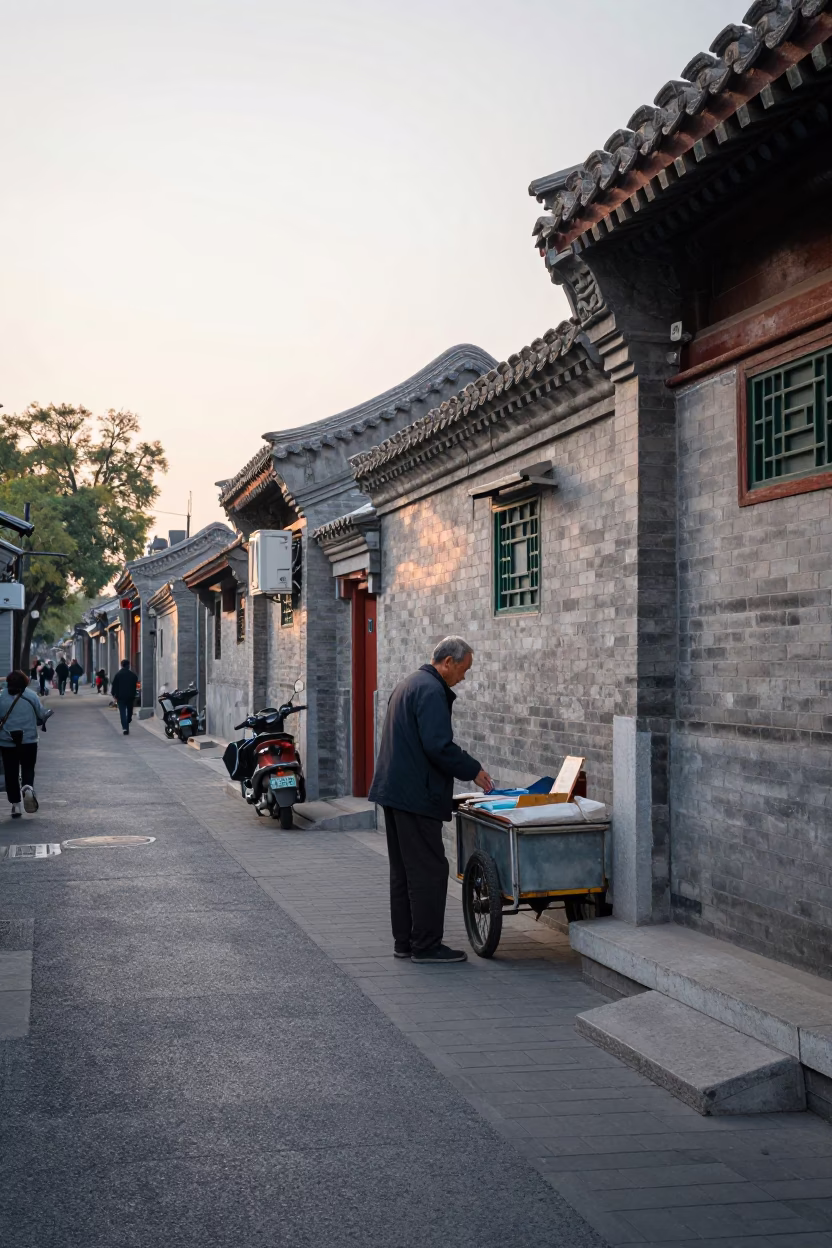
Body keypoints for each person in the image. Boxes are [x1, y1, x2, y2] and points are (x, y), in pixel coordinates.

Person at [369, 636, 494, 965]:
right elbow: (438, 745)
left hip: (395, 791)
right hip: (414, 795)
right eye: (463, 670)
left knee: (405, 870)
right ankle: (425, 946)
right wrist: (474, 770)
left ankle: (405, 942)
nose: (463, 678)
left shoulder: (409, 684)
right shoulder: (431, 690)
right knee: (430, 870)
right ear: (447, 663)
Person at [0, 670, 49, 817]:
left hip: (6, 741)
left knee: (10, 772)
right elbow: (41, 715)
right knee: (28, 768)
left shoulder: (1, 696)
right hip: (29, 740)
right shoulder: (31, 696)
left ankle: (15, 805)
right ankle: (27, 788)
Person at [111, 659, 138, 734]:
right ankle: (128, 720)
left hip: (120, 697)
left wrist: (114, 694)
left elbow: (114, 686)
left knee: (122, 713)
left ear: (121, 665)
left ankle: (125, 728)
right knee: (129, 711)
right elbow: (136, 681)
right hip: (130, 696)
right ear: (128, 665)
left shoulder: (118, 674)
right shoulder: (132, 675)